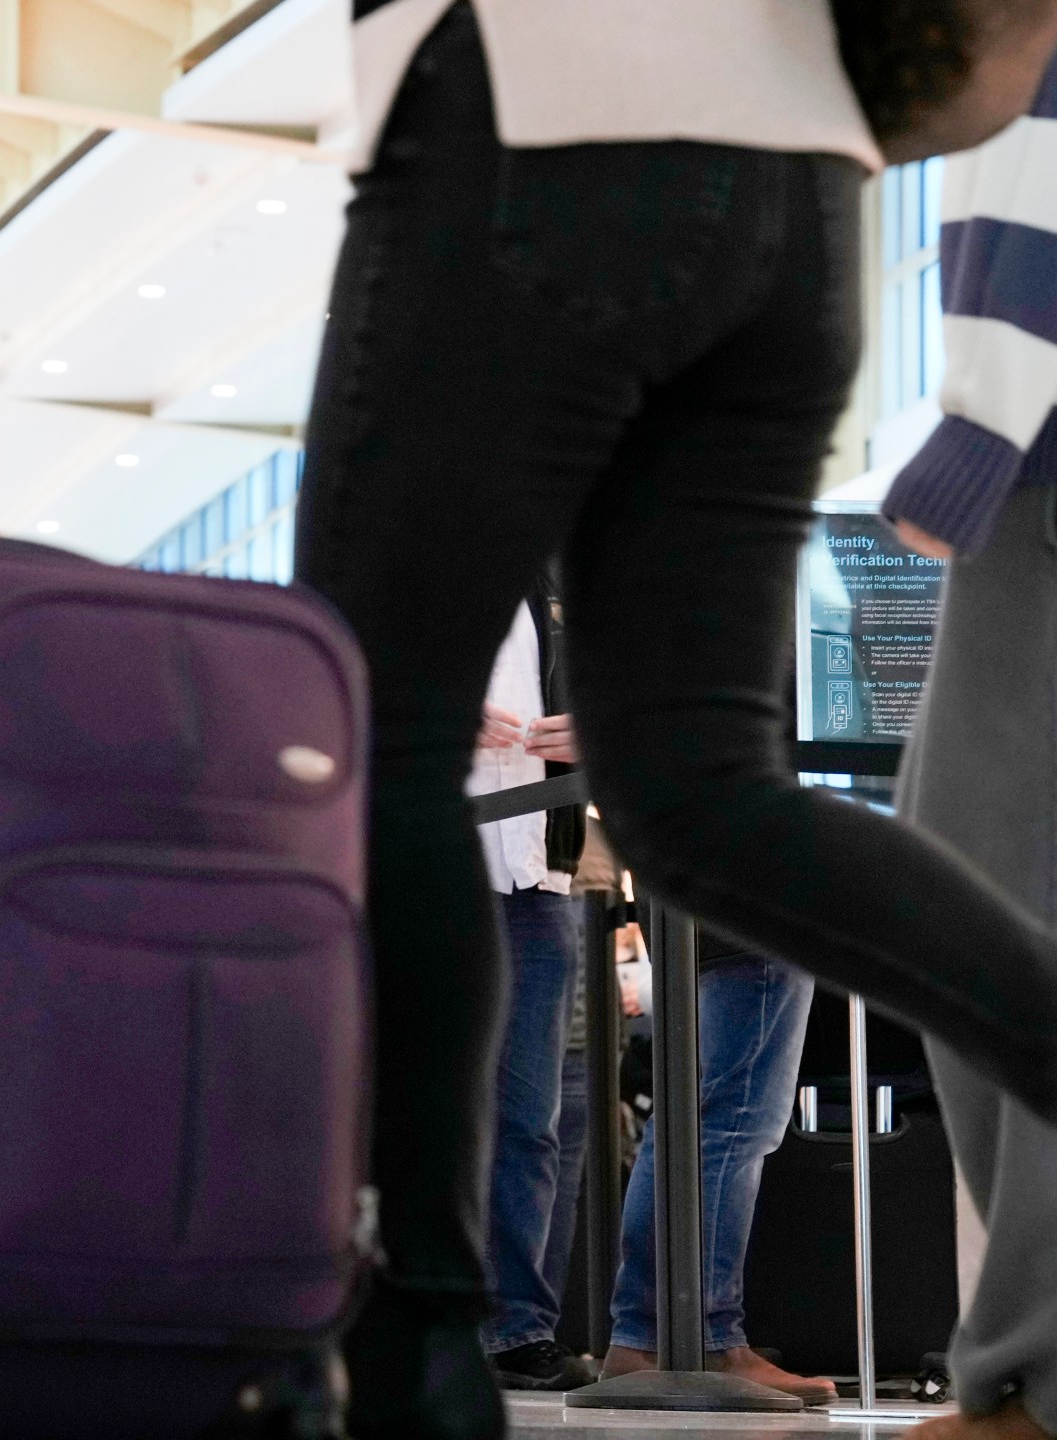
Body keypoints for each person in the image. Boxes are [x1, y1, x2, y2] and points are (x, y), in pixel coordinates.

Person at [293, 4, 1057, 1437]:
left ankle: (421, 1355)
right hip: (802, 189)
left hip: (529, 109)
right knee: (701, 802)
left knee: (378, 742)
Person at [888, 54, 1057, 1440]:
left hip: (1043, 499)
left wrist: (971, 442)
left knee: (992, 909)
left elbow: (1037, 192)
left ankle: (1036, 1370)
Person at [595, 934, 828, 1404]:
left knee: (693, 1117)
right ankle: (706, 1338)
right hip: (753, 913)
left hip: (706, 920)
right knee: (735, 1121)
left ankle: (645, 1336)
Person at [470, 584, 594, 1391]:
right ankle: (424, 1322)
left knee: (531, 1119)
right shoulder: (408, 569)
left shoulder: (553, 588)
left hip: (537, 874)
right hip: (436, 858)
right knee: (426, 1112)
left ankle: (518, 1330)